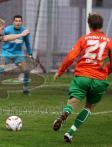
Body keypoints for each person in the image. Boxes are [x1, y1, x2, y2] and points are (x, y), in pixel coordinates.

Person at [52, 13, 112, 143]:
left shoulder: (84, 39)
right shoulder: (109, 42)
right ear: (101, 25)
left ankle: (65, 114)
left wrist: (60, 71)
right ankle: (70, 132)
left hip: (82, 76)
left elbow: (71, 57)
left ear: (89, 24)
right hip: (99, 80)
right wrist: (107, 72)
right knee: (89, 106)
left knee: (73, 100)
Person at [0, 15, 32, 94]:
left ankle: (25, 88)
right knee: (1, 69)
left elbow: (28, 43)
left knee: (26, 70)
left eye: (19, 21)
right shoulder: (7, 30)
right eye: (16, 21)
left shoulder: (24, 31)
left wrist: (30, 53)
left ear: (22, 22)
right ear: (13, 22)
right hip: (6, 53)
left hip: (18, 54)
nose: (18, 23)